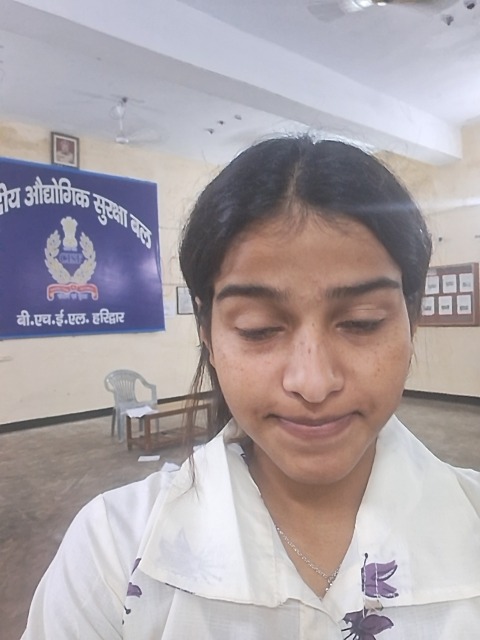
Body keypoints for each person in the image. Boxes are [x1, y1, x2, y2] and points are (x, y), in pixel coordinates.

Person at [22, 136, 480, 639]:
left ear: (412, 318)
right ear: (207, 332)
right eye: (259, 328)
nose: (312, 382)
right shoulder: (112, 554)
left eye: (362, 321)